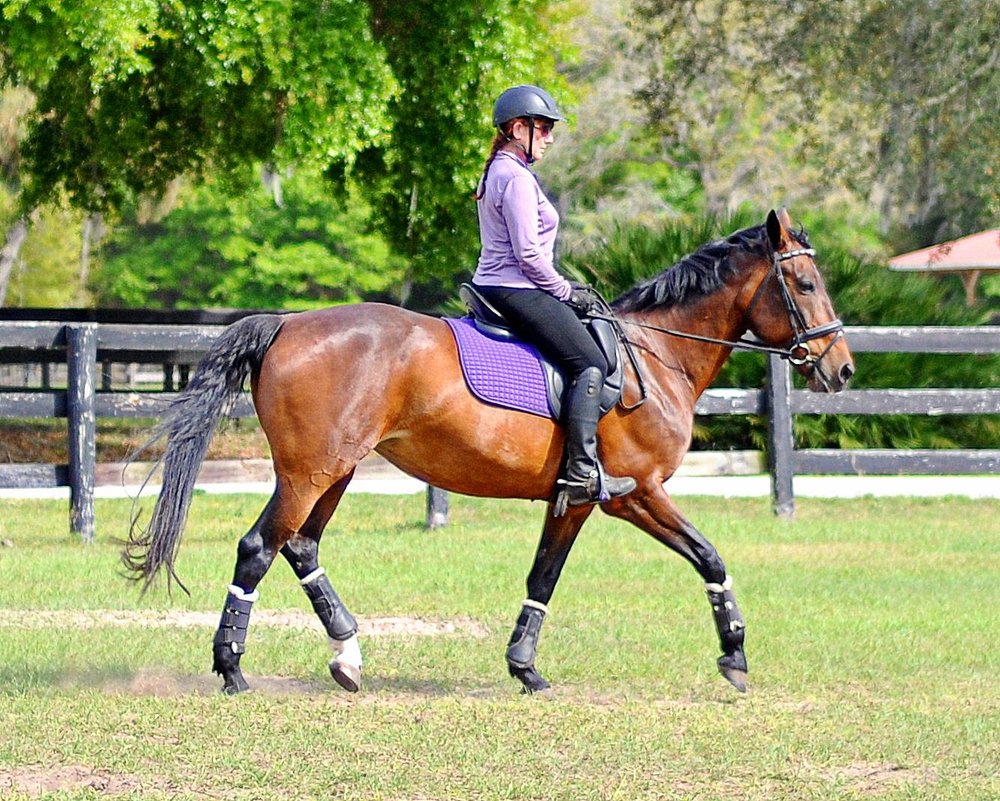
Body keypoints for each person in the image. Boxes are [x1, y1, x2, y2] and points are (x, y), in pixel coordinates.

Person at [471, 84, 636, 511]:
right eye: (542, 128)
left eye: (548, 128)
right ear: (516, 128)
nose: (548, 136)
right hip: (517, 287)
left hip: (500, 284)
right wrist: (565, 290)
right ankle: (582, 470)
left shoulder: (499, 170)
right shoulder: (517, 178)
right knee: (591, 363)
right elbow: (528, 255)